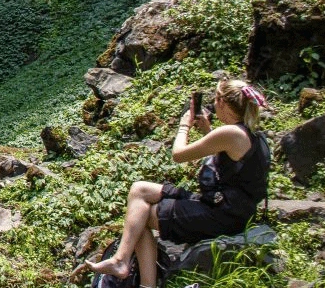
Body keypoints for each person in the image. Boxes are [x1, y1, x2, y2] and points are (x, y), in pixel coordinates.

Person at [85, 79, 271, 288]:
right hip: (227, 205)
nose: (212, 102)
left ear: (224, 103)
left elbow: (178, 155)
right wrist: (207, 129)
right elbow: (229, 161)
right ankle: (121, 259)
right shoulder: (247, 133)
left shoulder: (230, 133)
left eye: (215, 98)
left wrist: (184, 125)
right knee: (140, 190)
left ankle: (142, 281)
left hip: (223, 214)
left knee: (141, 218)